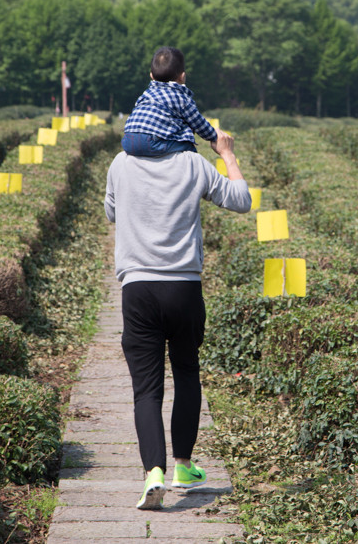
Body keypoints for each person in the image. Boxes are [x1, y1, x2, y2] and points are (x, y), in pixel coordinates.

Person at [104, 95, 251, 510]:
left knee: (146, 389)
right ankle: (183, 464)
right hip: (184, 287)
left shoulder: (120, 163)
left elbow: (110, 212)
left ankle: (154, 473)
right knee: (187, 372)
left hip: (138, 289)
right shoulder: (193, 164)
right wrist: (227, 155)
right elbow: (241, 200)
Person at [121, 46, 225, 157]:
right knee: (187, 145)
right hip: (154, 142)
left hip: (128, 140)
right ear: (182, 76)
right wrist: (214, 136)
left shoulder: (145, 94)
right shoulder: (181, 97)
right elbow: (199, 124)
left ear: (151, 76)